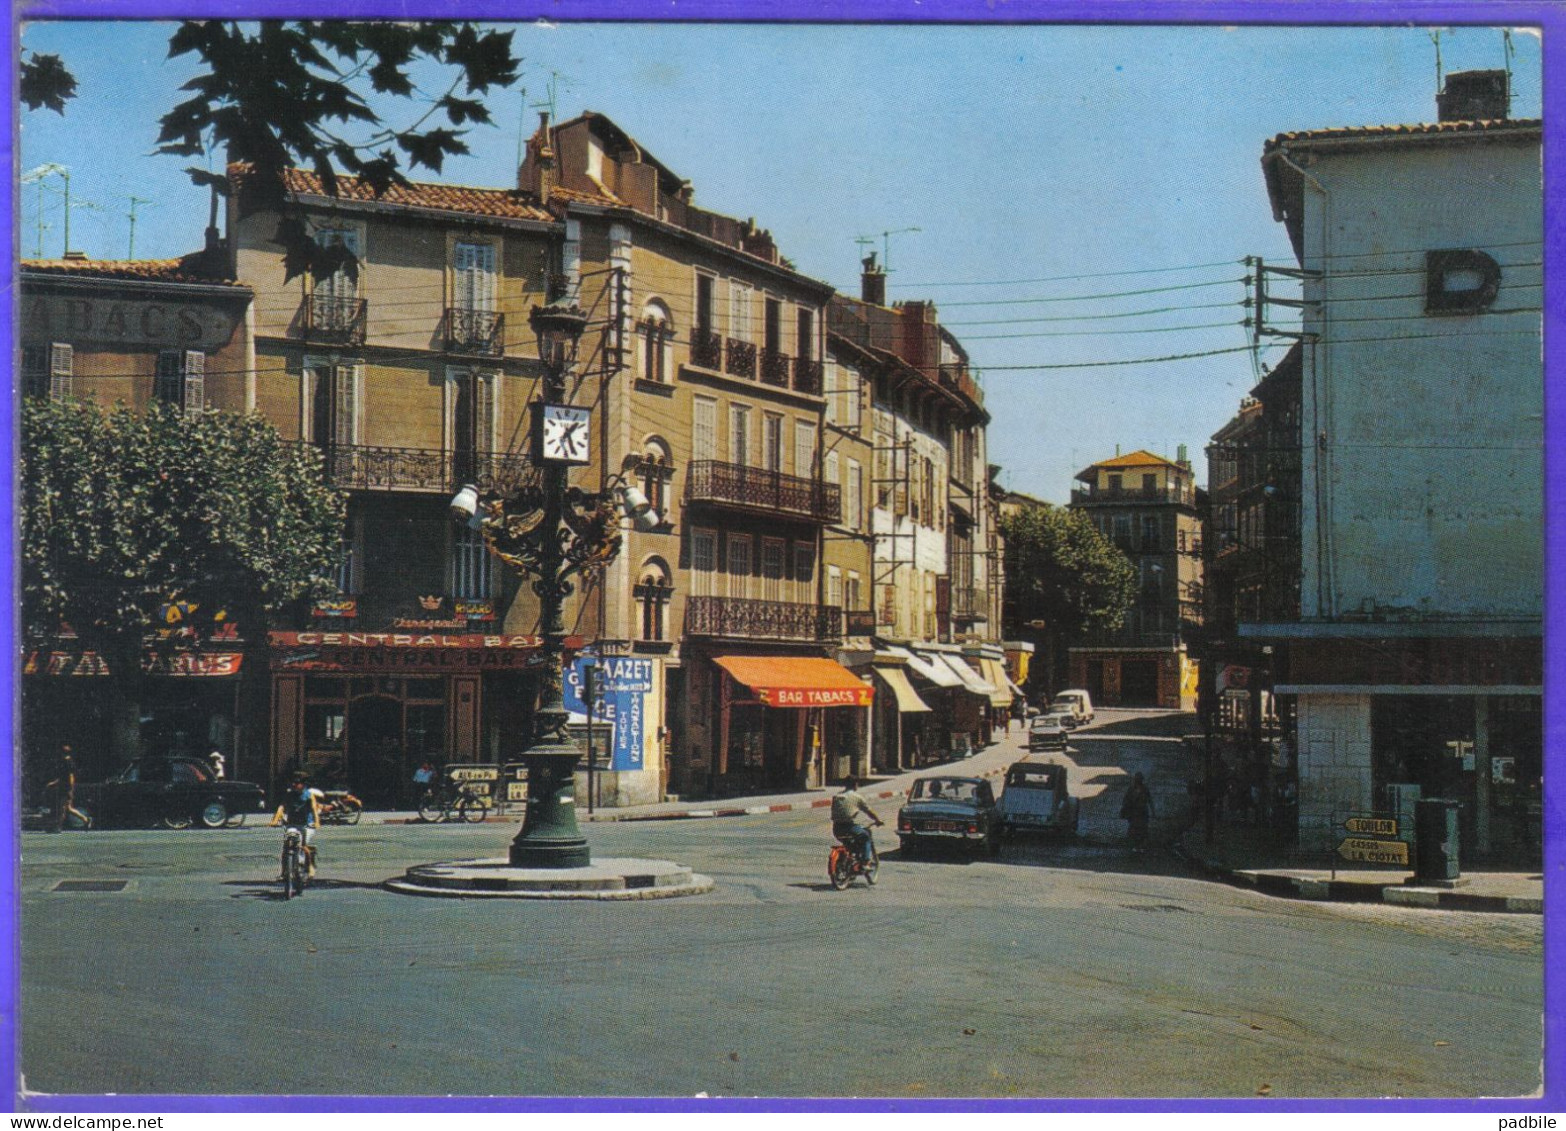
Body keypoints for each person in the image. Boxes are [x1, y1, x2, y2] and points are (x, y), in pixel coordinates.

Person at [270, 773, 324, 877]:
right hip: (292, 824)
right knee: (286, 847)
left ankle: (310, 866)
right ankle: (284, 872)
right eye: (293, 782)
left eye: (297, 783)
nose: (294, 784)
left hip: (306, 825)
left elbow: (314, 809)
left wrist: (316, 822)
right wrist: (276, 819)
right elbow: (282, 807)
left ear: (303, 784)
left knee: (303, 846)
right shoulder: (289, 794)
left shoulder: (308, 795)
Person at [831, 777, 883, 866]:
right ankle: (865, 862)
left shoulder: (837, 796)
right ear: (855, 785)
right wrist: (877, 820)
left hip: (836, 829)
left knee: (849, 842)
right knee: (866, 837)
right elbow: (869, 811)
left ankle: (850, 859)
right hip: (849, 827)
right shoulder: (857, 797)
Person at [47, 747, 90, 832]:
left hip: (66, 788)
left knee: (62, 807)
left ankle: (58, 827)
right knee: (67, 808)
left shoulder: (67, 762)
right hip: (65, 787)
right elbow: (62, 777)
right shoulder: (66, 762)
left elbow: (70, 776)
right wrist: (54, 783)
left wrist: (70, 788)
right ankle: (85, 819)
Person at [1120, 772, 1155, 853]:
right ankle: (1137, 846)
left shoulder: (1143, 789)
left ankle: (1141, 846)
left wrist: (1153, 812)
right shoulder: (1132, 789)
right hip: (1135, 813)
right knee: (1136, 830)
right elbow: (1126, 801)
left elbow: (1149, 800)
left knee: (1142, 830)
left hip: (1141, 813)